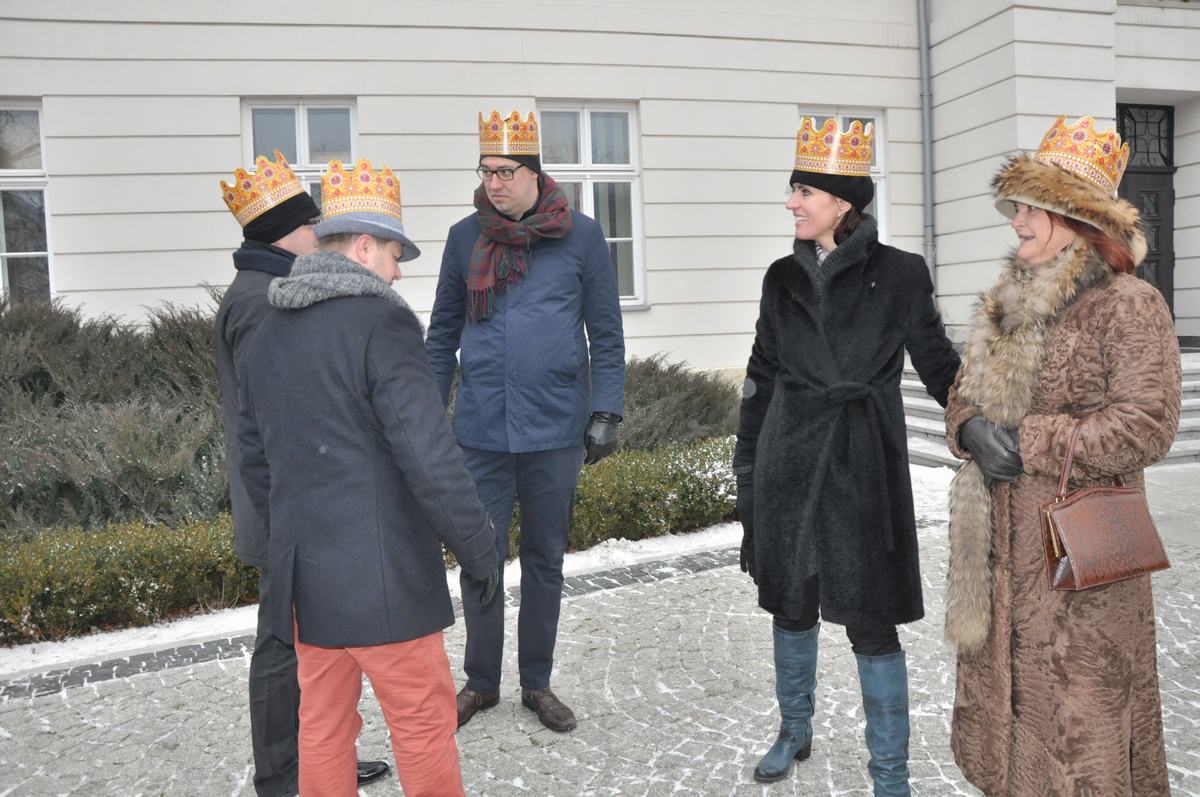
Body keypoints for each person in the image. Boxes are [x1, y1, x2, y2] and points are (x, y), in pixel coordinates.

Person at [236, 158, 501, 797]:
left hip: (306, 580)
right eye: (392, 254)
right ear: (361, 247)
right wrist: (479, 549)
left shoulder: (267, 330)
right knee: (422, 723)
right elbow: (429, 455)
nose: (398, 270)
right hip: (385, 581)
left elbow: (254, 459)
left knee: (323, 728)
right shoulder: (382, 323)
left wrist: (285, 549)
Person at [944, 116, 1180, 796]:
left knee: (1081, 743)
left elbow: (1147, 425)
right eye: (1015, 207)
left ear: (1074, 217)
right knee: (1009, 735)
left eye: (1029, 208)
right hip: (998, 560)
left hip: (1080, 565)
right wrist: (969, 429)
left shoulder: (1128, 304)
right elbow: (961, 395)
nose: (1016, 221)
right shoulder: (1005, 303)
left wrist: (1028, 439)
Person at [733, 116, 960, 793]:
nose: (791, 203)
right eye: (793, 190)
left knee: (873, 625)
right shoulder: (781, 278)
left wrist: (980, 421)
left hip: (863, 467)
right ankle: (793, 729)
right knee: (791, 606)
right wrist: (748, 472)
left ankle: (890, 774)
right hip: (789, 462)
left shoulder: (900, 273)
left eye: (803, 191)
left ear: (842, 202)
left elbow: (939, 363)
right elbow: (760, 376)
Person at [426, 110, 626, 733]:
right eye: (486, 171)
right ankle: (481, 683)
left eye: (505, 172)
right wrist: (425, 417)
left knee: (545, 560)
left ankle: (536, 682)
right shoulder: (464, 238)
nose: (493, 183)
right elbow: (442, 335)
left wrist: (606, 408)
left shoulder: (582, 237)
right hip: (482, 430)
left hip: (554, 429)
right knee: (480, 559)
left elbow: (606, 333)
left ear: (535, 172)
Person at [214, 150, 389, 793]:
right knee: (284, 645)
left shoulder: (260, 288)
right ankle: (286, 773)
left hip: (285, 498)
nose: (320, 232)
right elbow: (275, 416)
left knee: (312, 638)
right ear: (286, 233)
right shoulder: (263, 300)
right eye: (312, 223)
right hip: (282, 503)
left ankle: (322, 756)